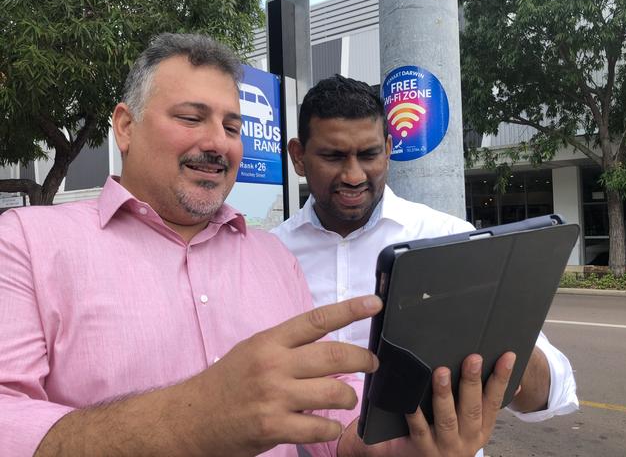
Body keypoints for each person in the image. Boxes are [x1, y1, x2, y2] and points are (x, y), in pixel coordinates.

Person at [0, 34, 516, 457]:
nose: (217, 141)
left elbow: (330, 420)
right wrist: (194, 417)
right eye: (190, 117)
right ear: (126, 126)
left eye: (231, 125)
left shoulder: (274, 257)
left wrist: (383, 447)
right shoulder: (26, 242)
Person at [272, 74, 579, 455]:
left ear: (387, 149)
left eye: (368, 155)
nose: (353, 175)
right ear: (299, 156)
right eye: (333, 157)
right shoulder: (268, 255)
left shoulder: (447, 237)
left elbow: (554, 392)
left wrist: (506, 357)